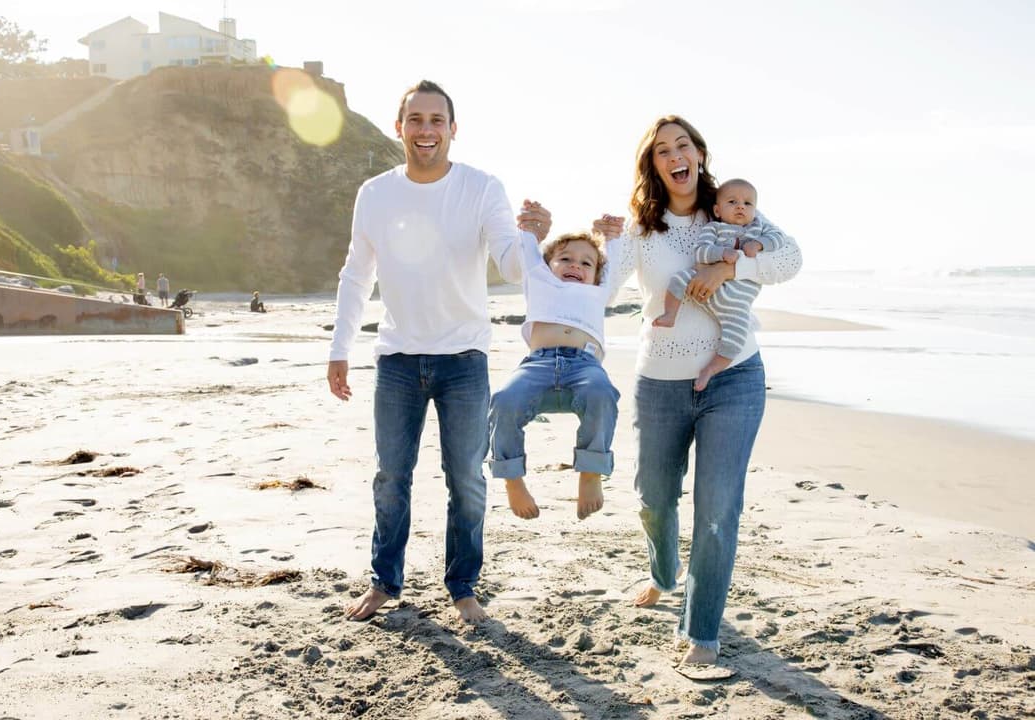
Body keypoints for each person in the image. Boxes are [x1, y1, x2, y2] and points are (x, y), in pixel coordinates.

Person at [326, 79, 551, 624]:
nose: (426, 131)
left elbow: (511, 266)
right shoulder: (375, 193)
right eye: (416, 120)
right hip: (398, 359)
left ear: (453, 129)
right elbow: (358, 275)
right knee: (391, 477)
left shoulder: (481, 188)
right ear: (398, 127)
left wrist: (533, 238)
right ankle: (385, 581)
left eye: (436, 121)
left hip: (464, 360)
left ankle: (463, 587)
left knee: (467, 479)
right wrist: (340, 347)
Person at [593, 116, 802, 674]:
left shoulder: (731, 208)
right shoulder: (642, 229)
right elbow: (603, 287)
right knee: (653, 498)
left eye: (682, 145)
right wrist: (603, 243)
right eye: (662, 151)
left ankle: (702, 630)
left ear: (700, 154)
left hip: (733, 378)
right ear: (654, 165)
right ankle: (664, 574)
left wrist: (735, 261)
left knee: (718, 509)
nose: (675, 155)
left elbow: (789, 259)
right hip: (659, 383)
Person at [488, 225, 619, 522]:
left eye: (586, 263)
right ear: (547, 267)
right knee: (504, 400)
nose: (576, 265)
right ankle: (512, 480)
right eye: (565, 259)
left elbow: (615, 262)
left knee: (602, 393)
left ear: (597, 275)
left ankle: (591, 470)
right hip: (538, 364)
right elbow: (528, 249)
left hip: (584, 365)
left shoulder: (599, 291)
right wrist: (530, 229)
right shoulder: (539, 281)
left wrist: (613, 237)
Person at [652, 178, 786, 390]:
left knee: (736, 338)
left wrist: (760, 244)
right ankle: (670, 314)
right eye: (732, 202)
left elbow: (780, 240)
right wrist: (722, 253)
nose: (740, 206)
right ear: (717, 210)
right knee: (678, 279)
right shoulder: (713, 228)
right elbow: (701, 251)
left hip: (736, 304)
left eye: (748, 203)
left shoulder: (759, 229)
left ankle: (711, 370)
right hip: (701, 286)